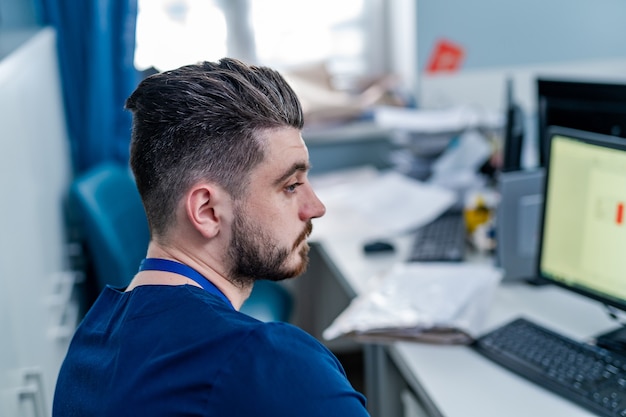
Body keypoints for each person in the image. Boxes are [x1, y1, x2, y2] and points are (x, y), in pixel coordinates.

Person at [52, 58, 370, 416]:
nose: (315, 207)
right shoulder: (274, 365)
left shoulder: (87, 350)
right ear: (207, 211)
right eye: (291, 185)